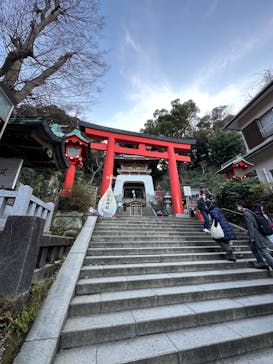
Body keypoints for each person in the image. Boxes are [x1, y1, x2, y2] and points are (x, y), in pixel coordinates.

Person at [236, 200, 273, 270]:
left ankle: (268, 263)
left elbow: (251, 225)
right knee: (253, 248)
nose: (237, 208)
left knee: (263, 251)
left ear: (241, 206)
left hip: (256, 235)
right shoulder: (249, 212)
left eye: (237, 206)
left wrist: (252, 237)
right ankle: (261, 263)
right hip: (256, 233)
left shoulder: (246, 213)